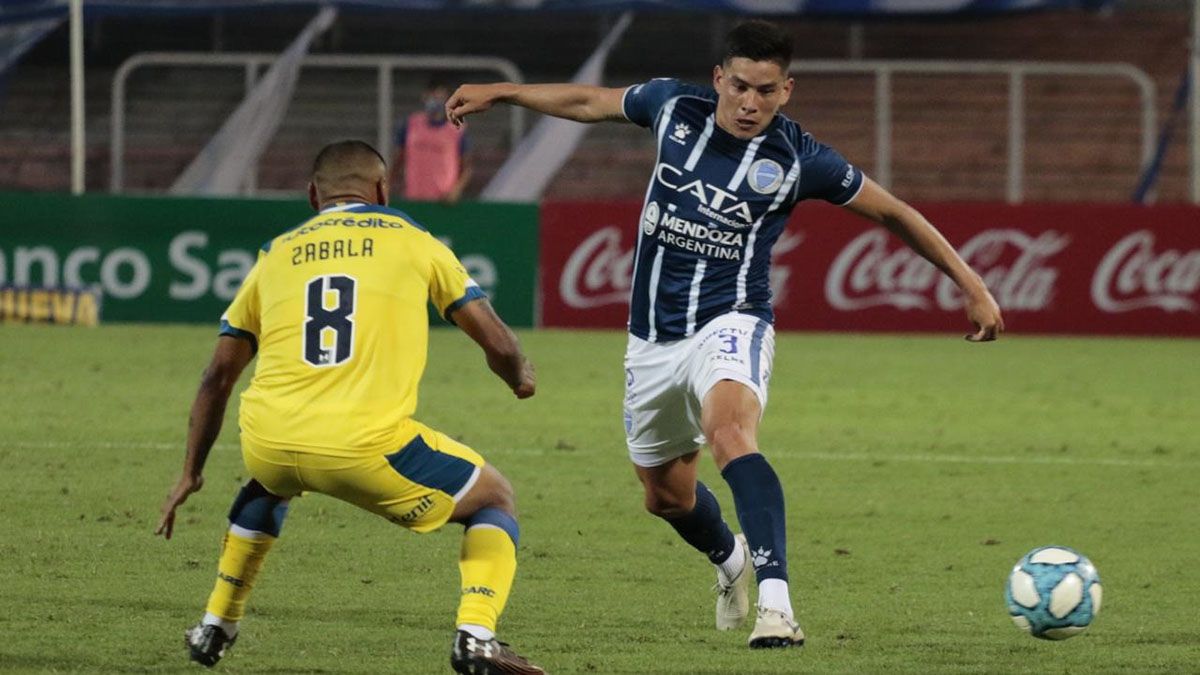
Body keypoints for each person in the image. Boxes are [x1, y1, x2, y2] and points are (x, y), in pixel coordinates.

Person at [445, 20, 1004, 649]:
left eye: (766, 91)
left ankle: (777, 604)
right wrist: (505, 91)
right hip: (652, 339)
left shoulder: (800, 158)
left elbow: (894, 212)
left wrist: (971, 283)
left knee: (731, 433)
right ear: (719, 79)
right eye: (740, 86)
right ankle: (731, 561)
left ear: (786, 90)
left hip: (732, 318)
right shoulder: (672, 107)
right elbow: (588, 102)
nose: (750, 103)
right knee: (665, 497)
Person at [155, 140, 543, 675]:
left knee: (266, 485)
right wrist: (518, 376)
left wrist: (190, 473)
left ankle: (215, 627)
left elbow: (217, 375)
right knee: (496, 497)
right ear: (382, 190)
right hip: (364, 446)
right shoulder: (412, 239)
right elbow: (496, 343)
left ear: (313, 196)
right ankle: (476, 638)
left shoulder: (277, 252)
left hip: (269, 440)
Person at [392, 79, 474, 204]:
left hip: (443, 202)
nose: (436, 101)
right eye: (433, 96)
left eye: (441, 97)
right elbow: (398, 160)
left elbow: (467, 167)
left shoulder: (457, 129)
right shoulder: (410, 124)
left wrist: (456, 190)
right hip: (413, 198)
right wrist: (387, 185)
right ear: (425, 97)